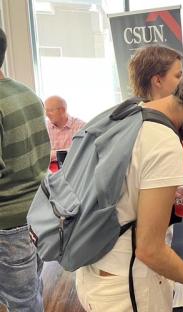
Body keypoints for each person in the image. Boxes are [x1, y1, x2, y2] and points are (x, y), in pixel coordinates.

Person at [75, 64, 183, 312]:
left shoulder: (133, 111)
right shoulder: (164, 142)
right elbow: (149, 248)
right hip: (127, 288)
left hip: (97, 271)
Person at [0, 27, 50, 312]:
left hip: (7, 227)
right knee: (31, 293)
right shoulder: (27, 93)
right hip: (36, 216)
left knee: (22, 305)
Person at [128, 44, 183, 184]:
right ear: (157, 80)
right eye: (178, 75)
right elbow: (162, 199)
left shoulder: (135, 113)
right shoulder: (158, 132)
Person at [44, 95, 85, 162]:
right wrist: (67, 152)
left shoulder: (80, 126)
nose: (46, 115)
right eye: (46, 111)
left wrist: (52, 154)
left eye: (50, 110)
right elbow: (42, 155)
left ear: (62, 110)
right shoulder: (44, 127)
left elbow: (81, 152)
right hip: (50, 170)